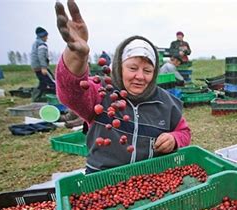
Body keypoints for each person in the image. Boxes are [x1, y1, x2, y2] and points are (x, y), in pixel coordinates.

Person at [55, 0, 191, 174]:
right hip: (101, 180)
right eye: (132, 68)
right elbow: (70, 93)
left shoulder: (166, 102)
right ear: (119, 67)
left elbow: (184, 131)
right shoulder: (102, 92)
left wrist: (174, 138)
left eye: (148, 70)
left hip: (149, 180)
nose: (140, 77)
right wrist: (76, 57)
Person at [30, 27, 56, 102]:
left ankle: (36, 98)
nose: (47, 38)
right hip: (41, 67)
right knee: (51, 82)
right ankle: (61, 98)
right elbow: (41, 55)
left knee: (43, 83)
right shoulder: (42, 44)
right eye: (46, 36)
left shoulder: (36, 43)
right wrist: (44, 67)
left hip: (36, 66)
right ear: (43, 36)